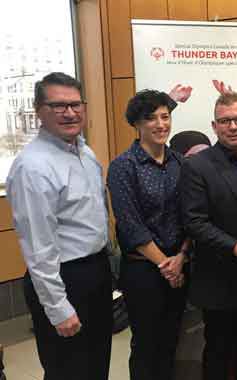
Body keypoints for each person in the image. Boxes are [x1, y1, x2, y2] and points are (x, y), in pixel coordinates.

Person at [6, 72, 113, 380]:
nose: (70, 113)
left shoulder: (84, 151)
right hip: (64, 278)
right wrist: (58, 307)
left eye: (75, 104)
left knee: (95, 364)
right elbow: (38, 247)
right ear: (39, 110)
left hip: (95, 271)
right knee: (67, 369)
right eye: (58, 105)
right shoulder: (33, 166)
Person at [179, 92, 237, 380]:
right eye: (225, 121)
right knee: (218, 352)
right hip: (218, 279)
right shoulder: (196, 165)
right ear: (214, 126)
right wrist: (233, 247)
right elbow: (194, 222)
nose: (233, 126)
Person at [107, 89, 189, 380]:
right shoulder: (122, 167)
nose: (160, 124)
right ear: (137, 124)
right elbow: (130, 224)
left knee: (170, 343)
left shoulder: (181, 163)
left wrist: (180, 258)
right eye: (150, 118)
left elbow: (191, 216)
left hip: (179, 264)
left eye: (165, 117)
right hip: (143, 269)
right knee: (145, 345)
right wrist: (165, 266)